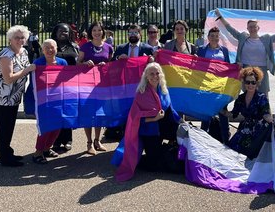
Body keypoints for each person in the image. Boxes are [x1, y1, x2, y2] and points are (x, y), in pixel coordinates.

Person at [115, 62, 182, 181]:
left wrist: (182, 122)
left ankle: (166, 150)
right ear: (146, 76)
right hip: (148, 130)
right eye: (152, 73)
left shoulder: (163, 90)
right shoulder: (141, 93)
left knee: (181, 132)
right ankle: (138, 159)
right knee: (153, 166)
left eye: (157, 73)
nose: (155, 76)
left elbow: (170, 110)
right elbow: (135, 117)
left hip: (162, 127)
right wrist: (154, 118)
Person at [0, 25, 36, 167]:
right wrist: (27, 70)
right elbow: (8, 78)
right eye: (17, 37)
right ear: (10, 39)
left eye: (22, 37)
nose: (20, 40)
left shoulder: (24, 52)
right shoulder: (6, 55)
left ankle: (8, 152)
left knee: (9, 126)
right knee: (3, 127)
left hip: (14, 96)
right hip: (3, 95)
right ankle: (5, 158)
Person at [215, 8, 275, 96]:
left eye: (254, 26)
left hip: (262, 70)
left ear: (258, 28)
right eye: (250, 27)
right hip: (246, 69)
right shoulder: (242, 37)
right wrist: (220, 16)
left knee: (263, 95)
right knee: (247, 94)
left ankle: (264, 110)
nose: (252, 28)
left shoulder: (266, 38)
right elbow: (230, 29)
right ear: (247, 28)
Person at [25, 39, 68, 164]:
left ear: (57, 49)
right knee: (45, 126)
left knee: (57, 126)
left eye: (52, 47)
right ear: (42, 50)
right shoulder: (38, 63)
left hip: (58, 99)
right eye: (46, 48)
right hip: (42, 101)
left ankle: (47, 148)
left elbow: (67, 80)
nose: (50, 50)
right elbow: (34, 84)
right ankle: (38, 152)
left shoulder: (62, 62)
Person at [78, 21, 114, 155]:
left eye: (99, 30)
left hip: (102, 84)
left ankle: (97, 141)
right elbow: (78, 63)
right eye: (94, 30)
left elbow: (111, 65)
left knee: (99, 113)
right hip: (87, 84)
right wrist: (85, 63)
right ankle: (88, 142)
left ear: (103, 32)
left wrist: (107, 64)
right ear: (90, 32)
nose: (97, 33)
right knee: (88, 112)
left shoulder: (108, 47)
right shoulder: (85, 46)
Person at [227, 67, 272, 159]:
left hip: (257, 131)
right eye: (248, 82)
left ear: (257, 83)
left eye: (253, 82)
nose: (250, 85)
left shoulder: (261, 97)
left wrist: (272, 122)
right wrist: (221, 109)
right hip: (244, 129)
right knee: (230, 150)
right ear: (244, 82)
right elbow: (233, 114)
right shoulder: (240, 98)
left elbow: (266, 114)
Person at [197, 26, 231, 144]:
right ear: (208, 37)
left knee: (223, 112)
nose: (214, 38)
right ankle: (203, 140)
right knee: (206, 113)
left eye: (217, 36)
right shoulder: (201, 50)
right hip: (207, 86)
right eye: (212, 36)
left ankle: (226, 140)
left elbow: (229, 67)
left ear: (219, 37)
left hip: (220, 87)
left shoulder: (224, 51)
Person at [50, 23, 79, 152]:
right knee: (55, 112)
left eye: (66, 31)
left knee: (68, 111)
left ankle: (68, 139)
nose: (63, 33)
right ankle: (56, 140)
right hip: (53, 85)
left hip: (69, 84)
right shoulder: (50, 45)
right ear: (55, 32)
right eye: (61, 30)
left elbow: (79, 63)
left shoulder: (74, 46)